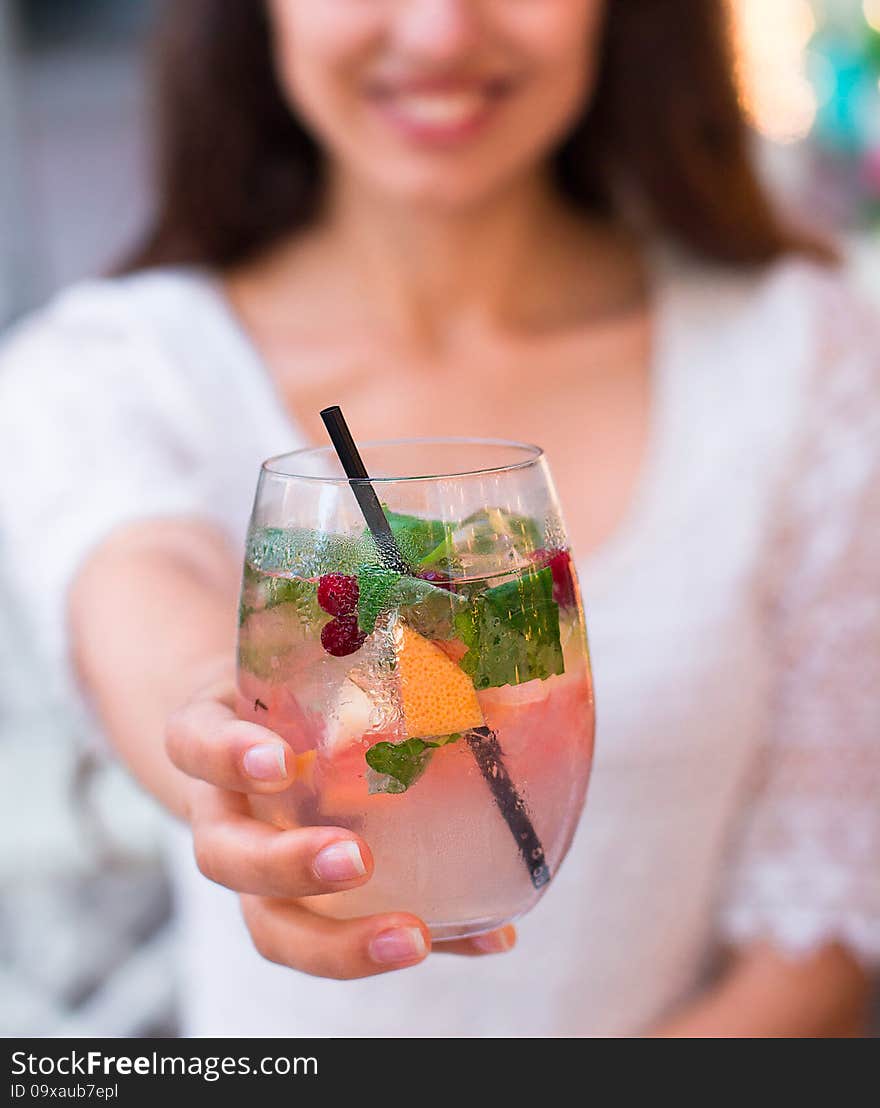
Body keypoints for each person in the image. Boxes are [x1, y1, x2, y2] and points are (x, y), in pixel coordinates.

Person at [1, 0, 877, 1037]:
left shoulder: (808, 355)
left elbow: (816, 946)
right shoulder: (111, 369)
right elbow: (144, 572)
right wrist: (230, 728)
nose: (437, 32)